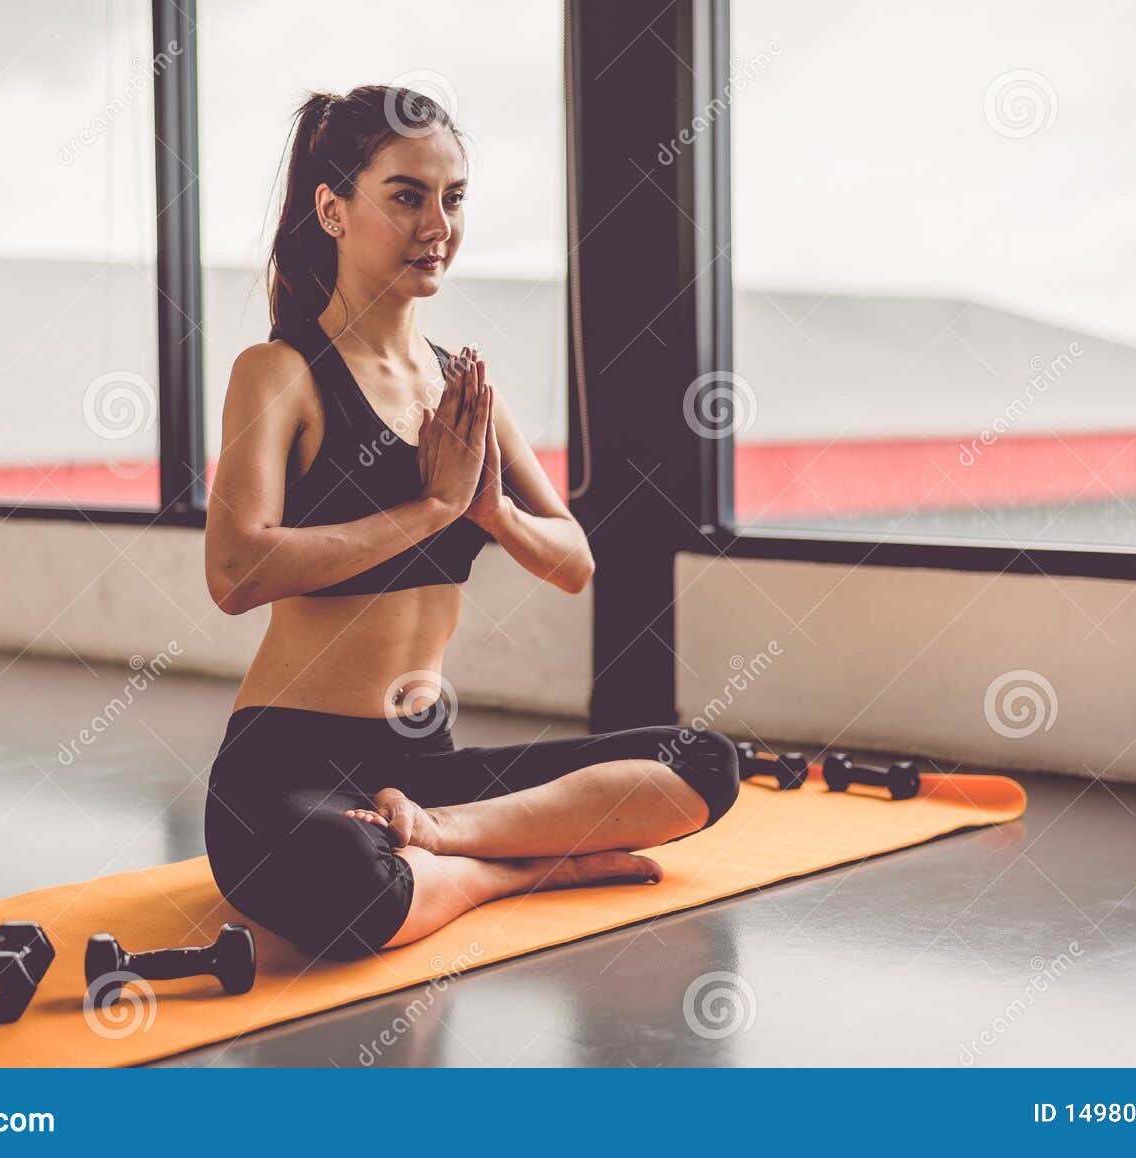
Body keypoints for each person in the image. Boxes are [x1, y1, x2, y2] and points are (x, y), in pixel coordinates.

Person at [201, 85, 740, 961]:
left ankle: (446, 838)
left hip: (423, 768)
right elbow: (237, 573)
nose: (437, 225)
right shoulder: (279, 372)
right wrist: (433, 511)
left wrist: (490, 511)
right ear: (332, 211)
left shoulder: (463, 389)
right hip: (290, 766)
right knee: (352, 876)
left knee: (704, 762)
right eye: (406, 196)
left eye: (453, 198)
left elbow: (574, 561)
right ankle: (521, 867)